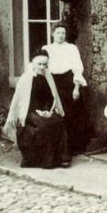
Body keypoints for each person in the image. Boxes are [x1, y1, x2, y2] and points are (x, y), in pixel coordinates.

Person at [3, 49, 71, 169]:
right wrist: (38, 111)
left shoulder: (48, 76)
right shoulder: (26, 78)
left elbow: (52, 97)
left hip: (45, 110)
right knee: (44, 125)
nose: (42, 67)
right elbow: (22, 101)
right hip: (29, 112)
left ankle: (62, 158)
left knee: (58, 121)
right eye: (39, 64)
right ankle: (47, 161)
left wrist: (48, 110)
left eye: (45, 64)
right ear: (33, 64)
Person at [42, 24, 88, 154]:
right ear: (52, 34)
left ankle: (72, 148)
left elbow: (77, 68)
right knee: (54, 114)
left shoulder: (71, 48)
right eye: (58, 33)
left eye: (63, 33)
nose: (61, 35)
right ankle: (57, 148)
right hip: (52, 82)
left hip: (68, 82)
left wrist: (76, 88)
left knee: (71, 114)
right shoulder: (46, 48)